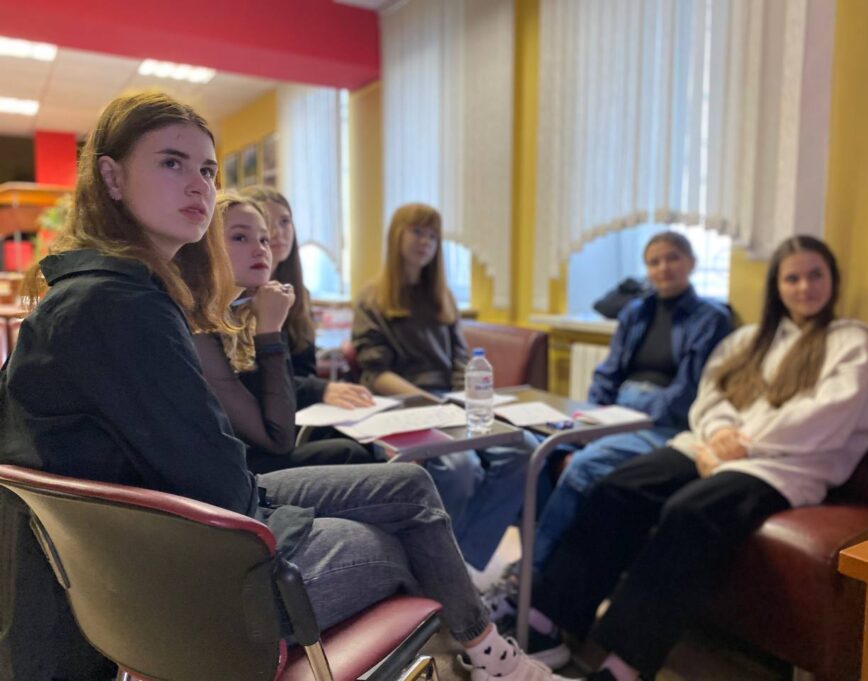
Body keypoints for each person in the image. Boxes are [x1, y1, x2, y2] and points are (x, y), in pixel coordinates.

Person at [0, 92, 571, 681]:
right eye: (171, 162)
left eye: (207, 170)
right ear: (111, 177)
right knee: (397, 540)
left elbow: (216, 468)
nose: (199, 185)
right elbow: (226, 485)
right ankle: (492, 658)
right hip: (193, 579)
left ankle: (487, 653)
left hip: (174, 540)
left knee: (409, 483)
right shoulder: (121, 305)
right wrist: (307, 519)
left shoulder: (102, 292)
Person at [526, 235, 868, 681]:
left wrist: (746, 442)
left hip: (784, 465)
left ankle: (625, 665)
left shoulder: (849, 340)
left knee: (689, 512)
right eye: (792, 278)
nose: (804, 287)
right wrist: (719, 433)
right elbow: (713, 392)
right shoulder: (749, 339)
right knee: (619, 486)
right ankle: (546, 619)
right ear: (777, 286)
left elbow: (828, 413)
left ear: (833, 280)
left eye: (815, 275)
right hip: (713, 446)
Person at [530, 232, 732, 573]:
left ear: (692, 263)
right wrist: (593, 416)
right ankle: (551, 557)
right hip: (616, 412)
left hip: (663, 422)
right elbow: (608, 373)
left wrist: (627, 416)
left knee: (583, 465)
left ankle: (533, 571)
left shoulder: (711, 318)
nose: (663, 268)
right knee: (541, 451)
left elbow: (687, 391)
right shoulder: (636, 312)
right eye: (654, 262)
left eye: (673, 258)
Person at [352, 203, 532, 571]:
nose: (426, 242)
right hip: (401, 402)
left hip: (448, 402)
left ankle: (458, 560)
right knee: (461, 467)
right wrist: (431, 404)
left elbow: (460, 361)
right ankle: (442, 566)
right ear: (396, 235)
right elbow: (376, 372)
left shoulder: (442, 297)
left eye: (433, 236)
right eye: (417, 232)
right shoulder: (372, 298)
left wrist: (465, 401)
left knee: (524, 447)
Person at [192, 193, 376, 472]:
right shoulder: (197, 324)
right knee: (353, 455)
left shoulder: (240, 314)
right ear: (204, 248)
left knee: (358, 450)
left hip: (244, 461)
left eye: (263, 240)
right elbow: (279, 439)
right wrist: (270, 331)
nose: (261, 249)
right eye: (240, 237)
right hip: (219, 474)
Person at [240, 186, 368, 411]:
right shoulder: (236, 297)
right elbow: (249, 383)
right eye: (267, 222)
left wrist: (320, 389)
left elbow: (305, 370)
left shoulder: (299, 293)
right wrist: (319, 389)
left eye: (285, 222)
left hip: (299, 408)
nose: (277, 232)